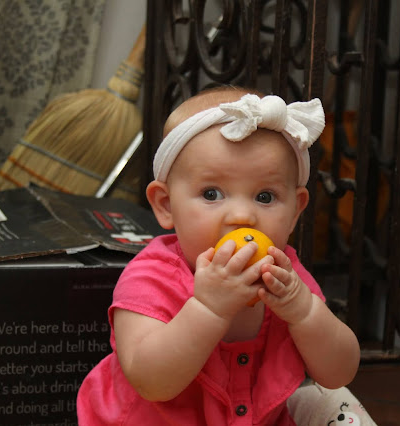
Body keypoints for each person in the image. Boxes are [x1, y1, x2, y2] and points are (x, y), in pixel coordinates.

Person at [77, 86, 362, 425]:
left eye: (265, 197)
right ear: (166, 205)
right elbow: (150, 382)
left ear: (295, 211)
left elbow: (339, 374)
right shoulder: (151, 278)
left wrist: (304, 312)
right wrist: (208, 309)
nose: (242, 216)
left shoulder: (288, 278)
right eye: (211, 194)